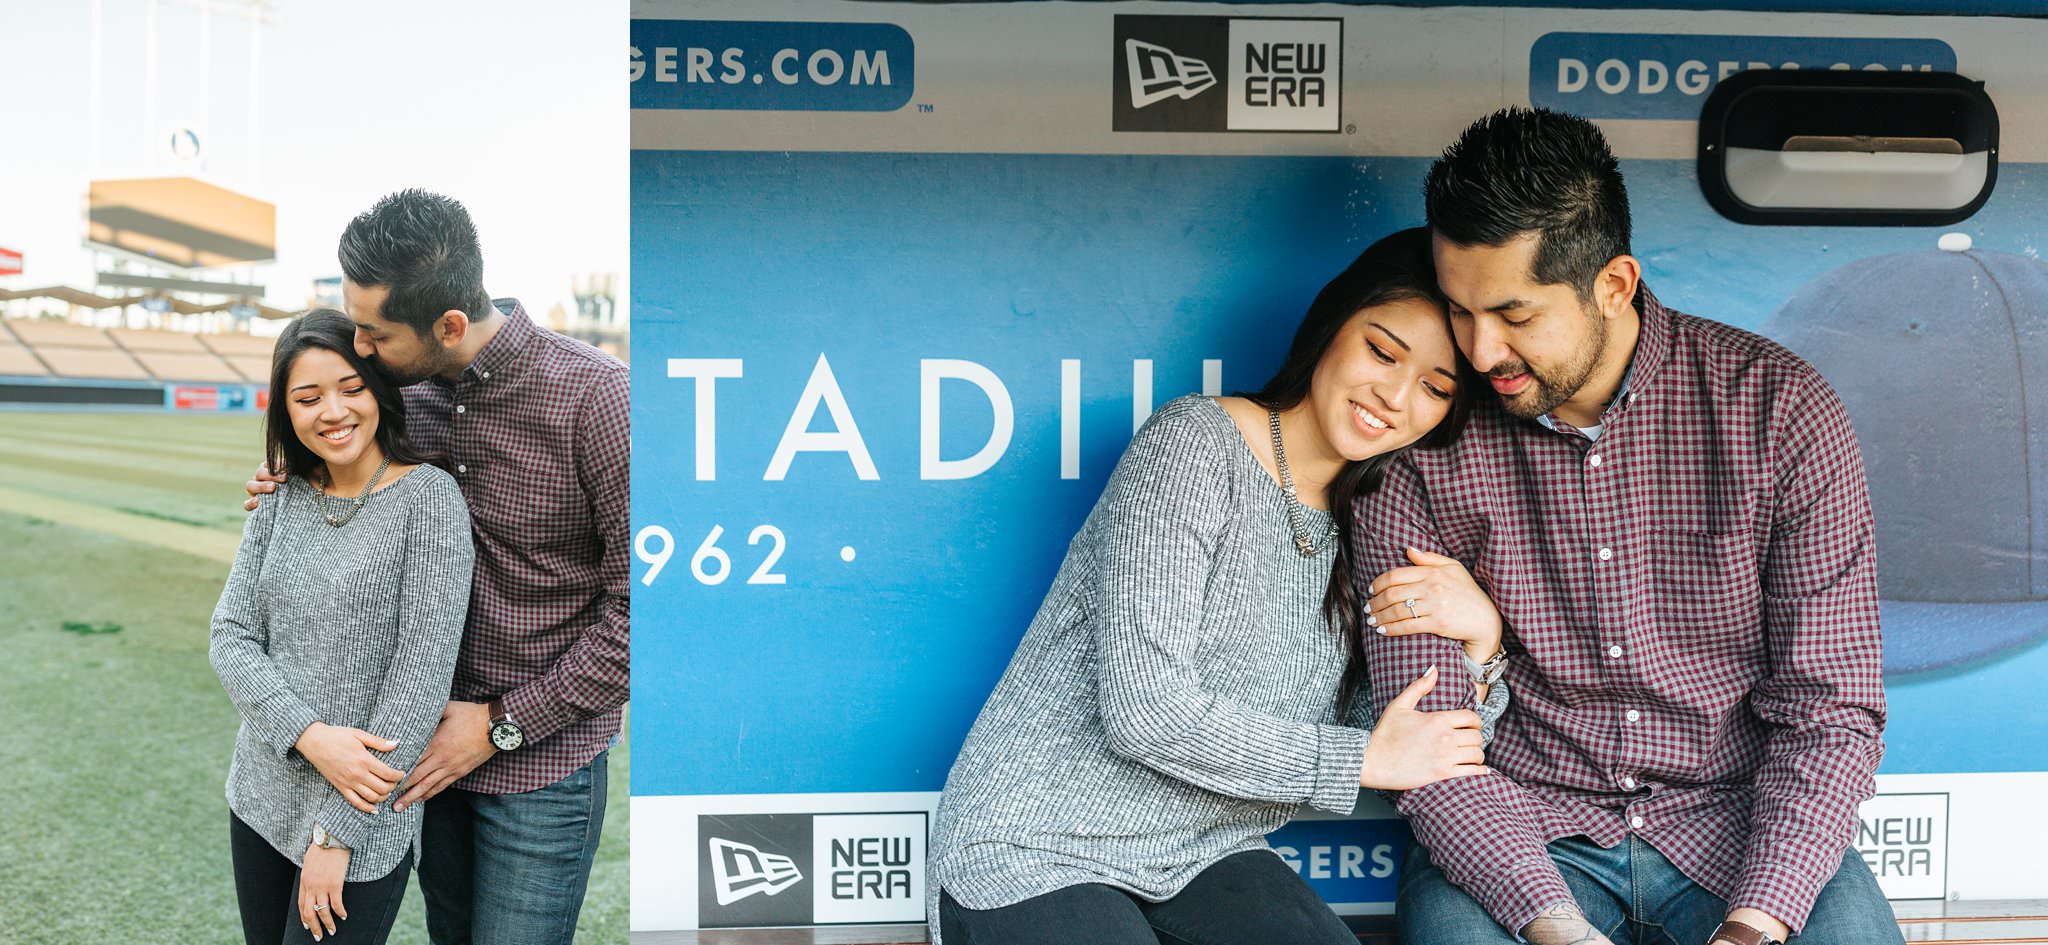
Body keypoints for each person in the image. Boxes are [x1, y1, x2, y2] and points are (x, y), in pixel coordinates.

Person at [1355, 107, 1899, 945]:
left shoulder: (1782, 412)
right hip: (1522, 836)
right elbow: (1429, 750)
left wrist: (1755, 927)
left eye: (1514, 314)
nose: (1477, 349)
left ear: (1613, 285)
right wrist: (1557, 928)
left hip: (1737, 826)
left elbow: (1829, 712)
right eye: (1458, 310)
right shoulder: (1422, 436)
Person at [927, 227, 1511, 945]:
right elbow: (1146, 711)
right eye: (1381, 351)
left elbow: (1406, 741)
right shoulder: (1195, 443)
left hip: (1206, 852)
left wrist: (1481, 642)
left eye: (1434, 387)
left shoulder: (1378, 517)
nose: (1393, 395)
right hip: (1037, 841)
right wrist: (1364, 757)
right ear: (1331, 328)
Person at [245, 190, 630, 945]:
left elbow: (648, 612)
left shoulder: (597, 397)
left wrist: (500, 726)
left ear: (448, 325)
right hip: (414, 756)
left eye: (373, 331)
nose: (357, 346)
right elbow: (338, 453)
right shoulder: (396, 384)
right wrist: (283, 474)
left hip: (540, 767)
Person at [211, 309, 474, 945]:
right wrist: (310, 736)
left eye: (351, 388)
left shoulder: (430, 502)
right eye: (308, 397)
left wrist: (335, 836)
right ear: (288, 411)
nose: (333, 412)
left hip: (360, 822)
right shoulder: (279, 497)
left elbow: (418, 684)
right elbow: (230, 636)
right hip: (260, 795)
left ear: (379, 391)